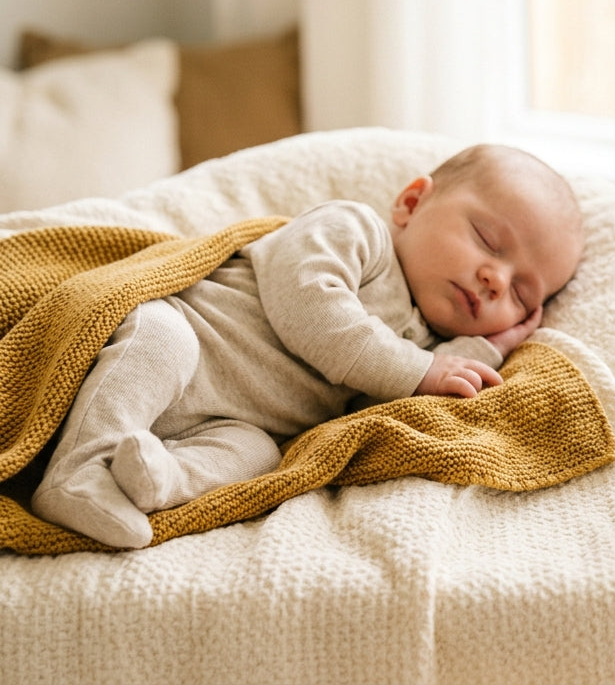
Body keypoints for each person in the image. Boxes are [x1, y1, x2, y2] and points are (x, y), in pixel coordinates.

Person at [31, 144, 584, 549]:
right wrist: (421, 369)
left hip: (226, 420)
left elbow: (381, 411)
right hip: (188, 336)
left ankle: (152, 478)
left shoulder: (423, 348)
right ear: (412, 203)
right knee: (161, 340)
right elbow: (309, 307)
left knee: (257, 455)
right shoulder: (356, 232)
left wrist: (483, 352)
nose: (494, 278)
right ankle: (77, 470)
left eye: (521, 292)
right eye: (488, 240)